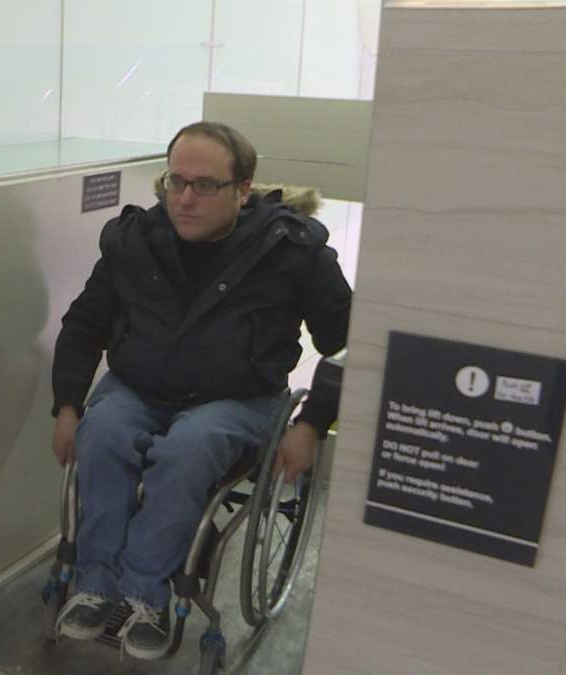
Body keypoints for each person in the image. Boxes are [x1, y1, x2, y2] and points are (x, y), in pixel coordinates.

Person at [49, 121, 351, 660]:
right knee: (103, 432)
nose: (185, 199)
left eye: (205, 186)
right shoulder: (135, 240)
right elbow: (83, 325)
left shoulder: (292, 251)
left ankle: (146, 593)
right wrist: (68, 406)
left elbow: (349, 344)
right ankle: (96, 583)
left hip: (238, 400)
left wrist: (312, 424)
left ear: (243, 189)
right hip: (139, 389)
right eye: (175, 182)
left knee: (190, 447)